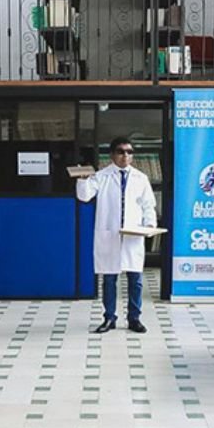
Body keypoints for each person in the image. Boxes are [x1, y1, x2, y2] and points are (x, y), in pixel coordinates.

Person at [75, 137, 157, 334]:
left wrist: (149, 225)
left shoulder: (140, 178)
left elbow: (148, 205)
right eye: (121, 151)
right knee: (109, 279)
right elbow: (84, 196)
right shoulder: (102, 176)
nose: (125, 156)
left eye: (129, 152)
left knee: (135, 279)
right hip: (109, 234)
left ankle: (134, 318)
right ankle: (109, 317)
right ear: (112, 154)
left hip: (132, 235)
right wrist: (82, 180)